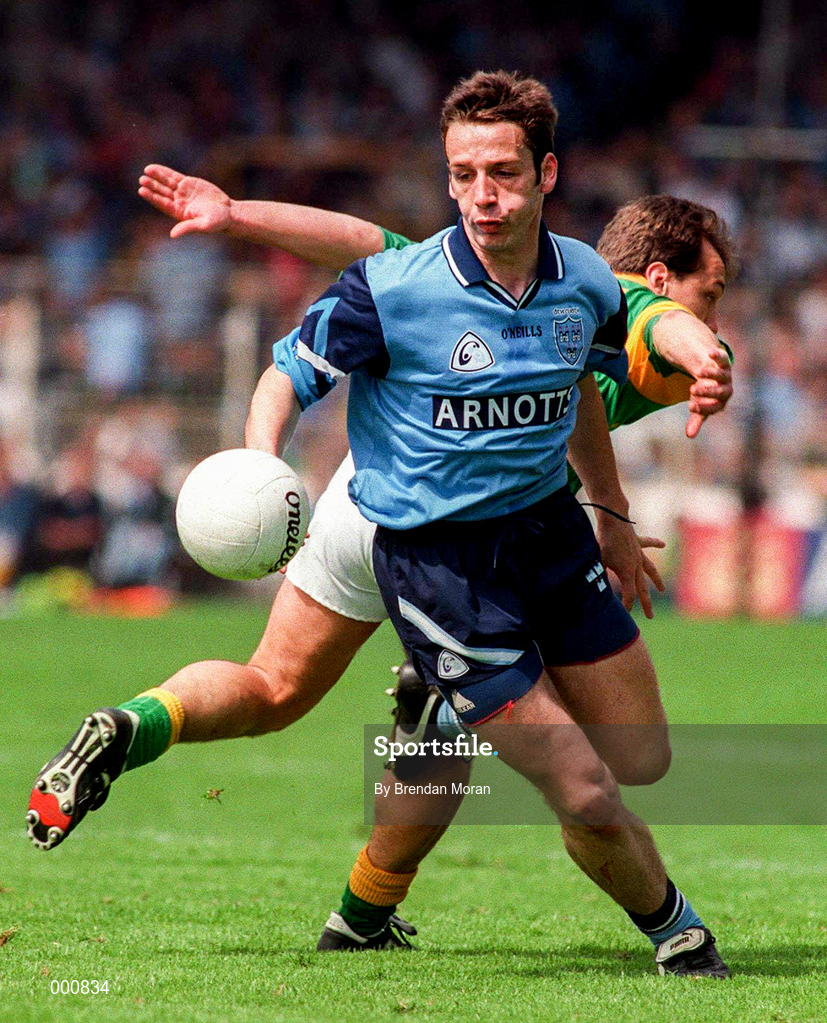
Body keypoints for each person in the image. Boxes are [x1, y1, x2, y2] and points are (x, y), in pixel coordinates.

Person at [26, 73, 732, 979]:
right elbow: (351, 279)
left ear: (546, 174)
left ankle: (158, 732)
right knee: (563, 770)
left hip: (511, 529)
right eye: (464, 175)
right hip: (423, 544)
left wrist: (612, 508)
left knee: (286, 688)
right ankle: (670, 929)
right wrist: (258, 460)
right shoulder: (422, 283)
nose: (482, 195)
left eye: (502, 174)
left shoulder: (582, 288)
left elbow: (613, 366)